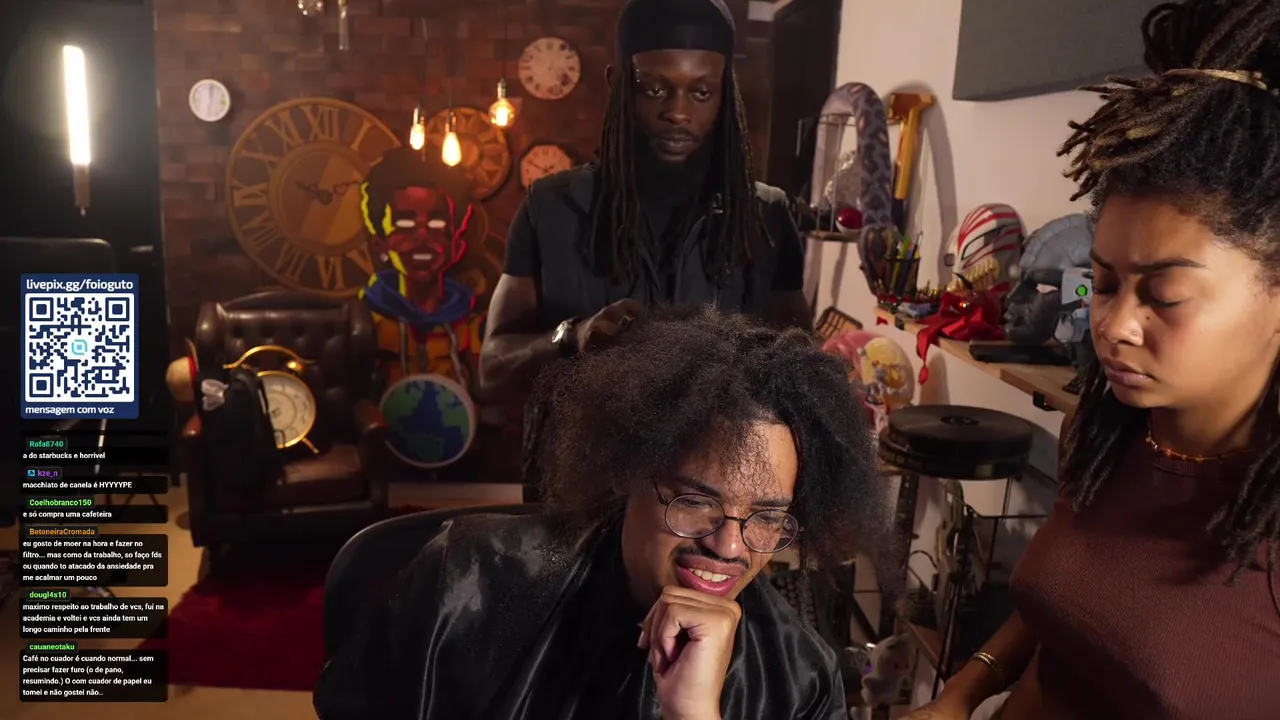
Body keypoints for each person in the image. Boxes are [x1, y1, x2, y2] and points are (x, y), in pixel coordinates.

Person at [906, 1, 1280, 718]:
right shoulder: (1107, 433)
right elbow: (1070, 615)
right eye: (1103, 283)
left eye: (1164, 296)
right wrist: (962, 692)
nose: (1114, 325)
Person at [314, 306, 895, 719]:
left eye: (766, 517)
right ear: (627, 470)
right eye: (696, 501)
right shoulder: (465, 581)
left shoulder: (801, 682)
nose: (730, 547)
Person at [477, 0, 812, 408]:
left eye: (701, 92)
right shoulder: (550, 209)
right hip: (582, 451)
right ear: (617, 83)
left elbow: (801, 375)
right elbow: (492, 372)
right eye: (654, 89)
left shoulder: (767, 218)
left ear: (725, 94)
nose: (677, 113)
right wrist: (573, 337)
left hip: (721, 451)